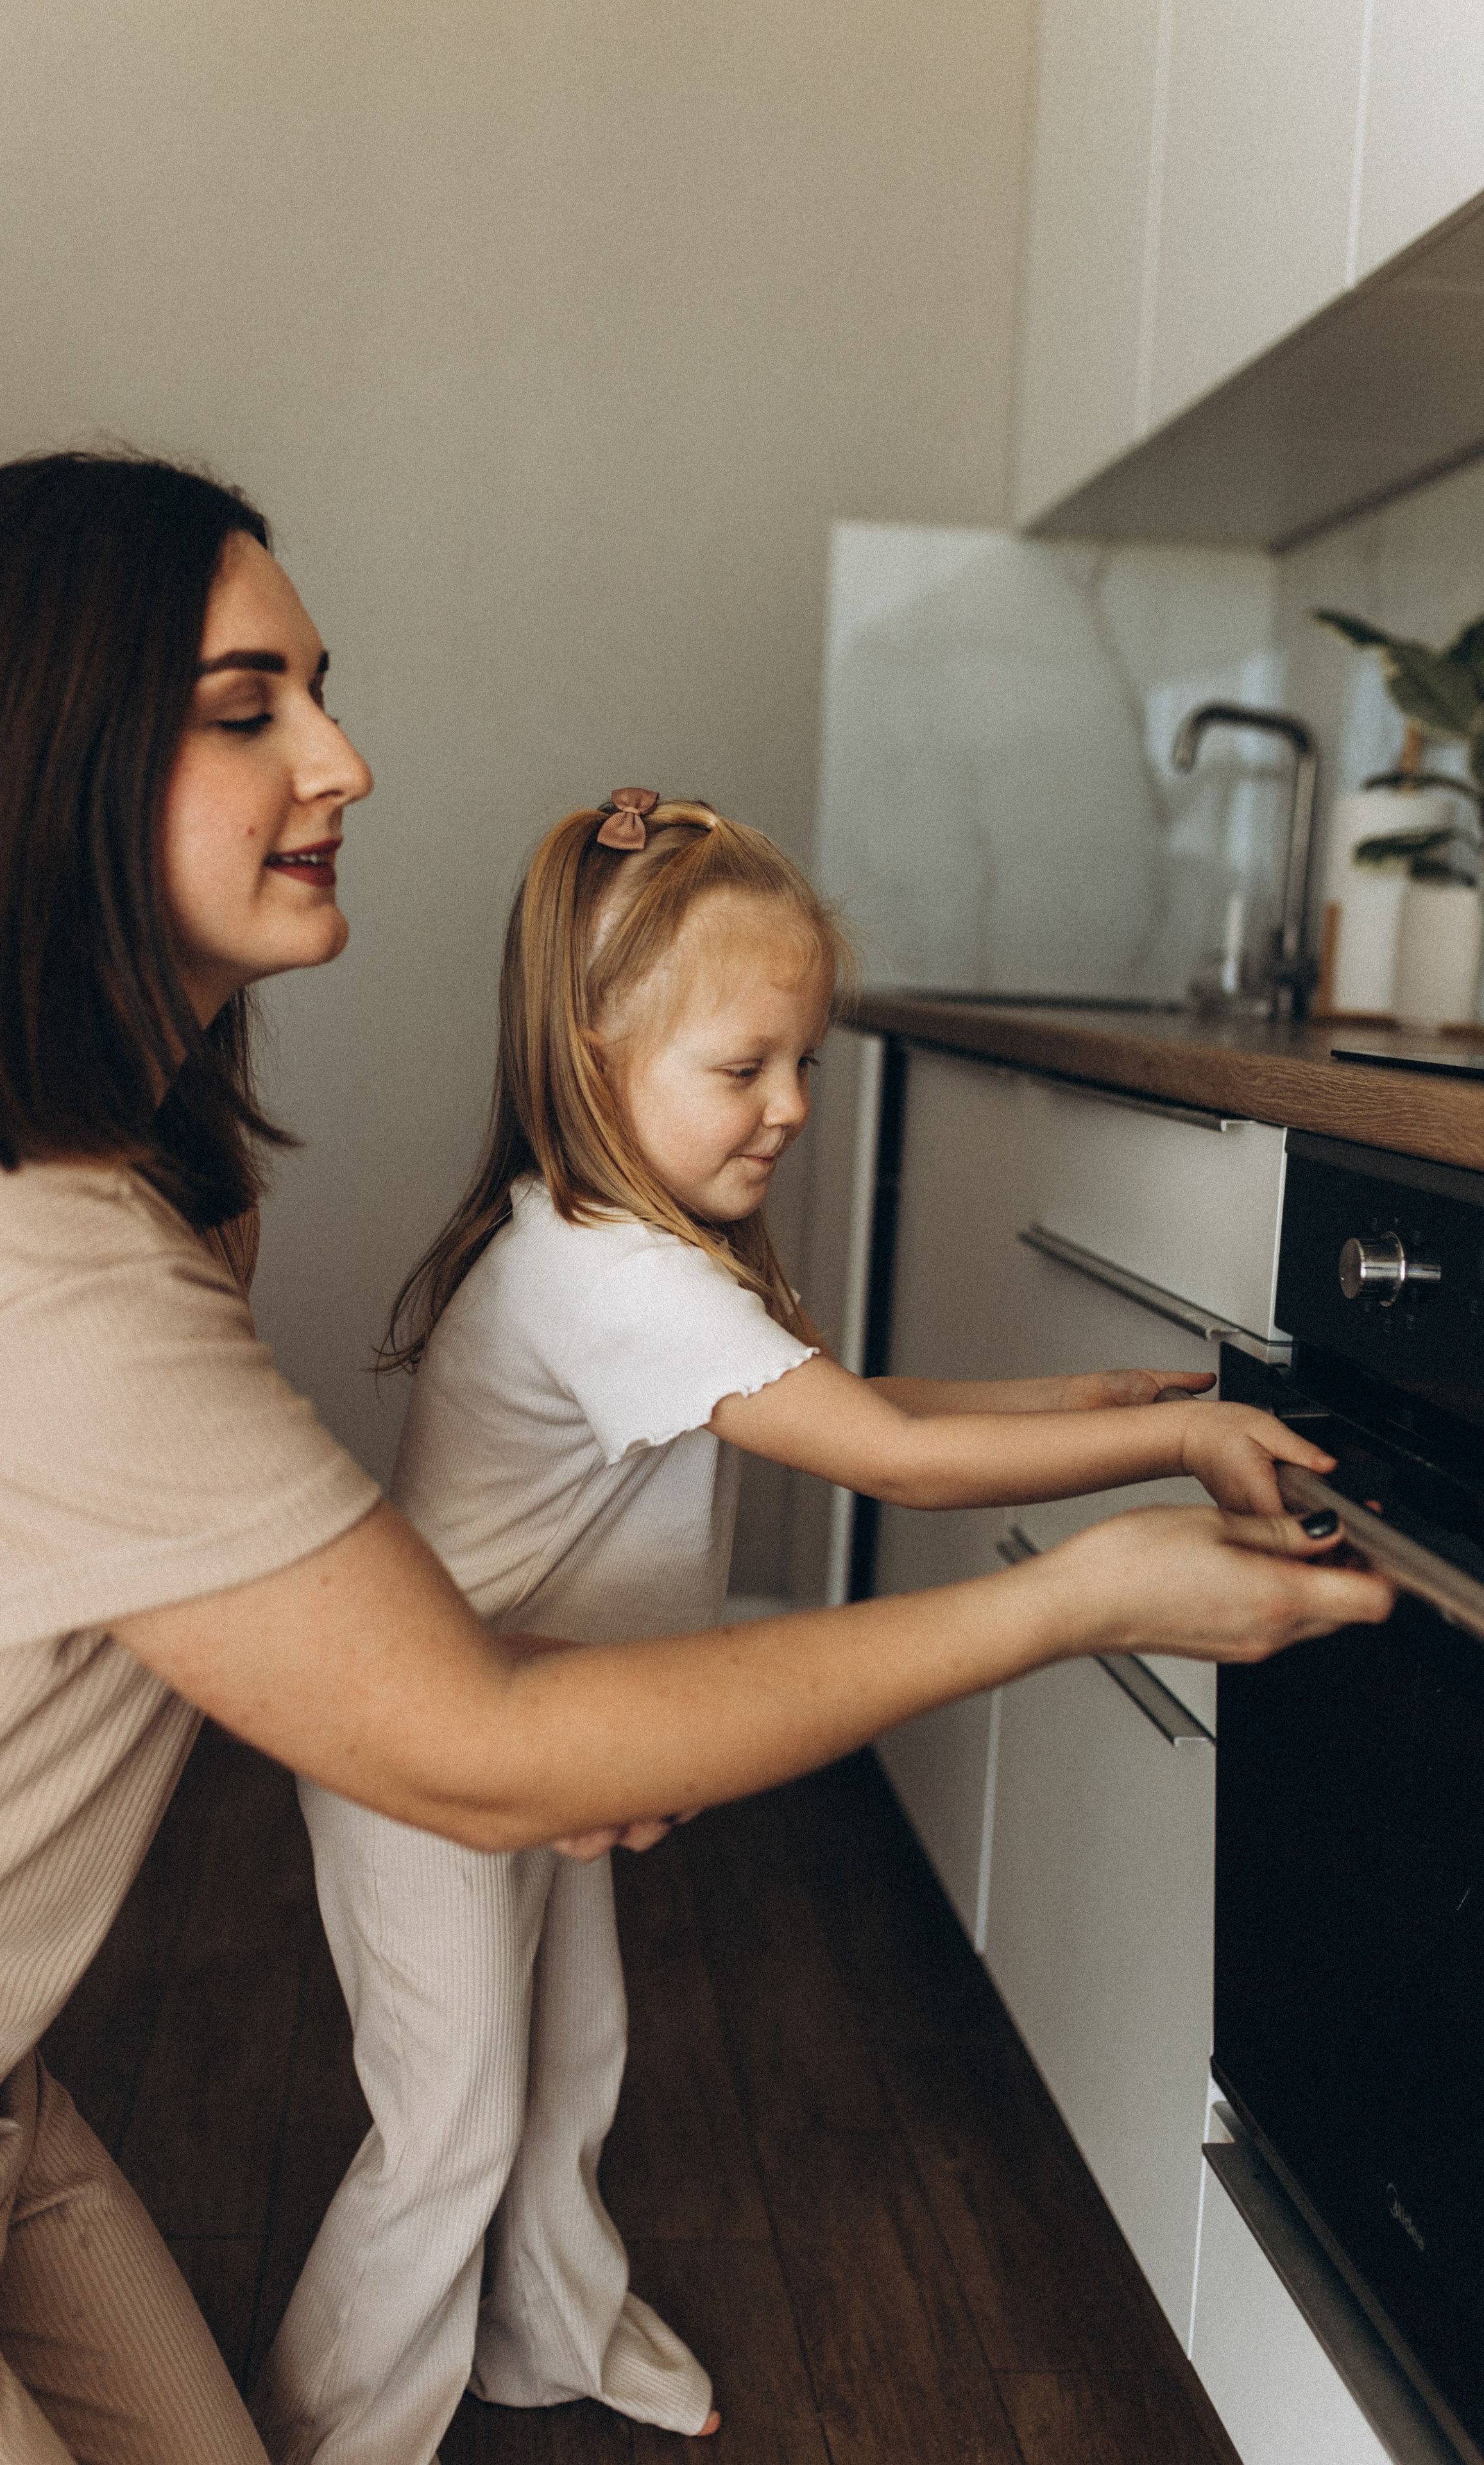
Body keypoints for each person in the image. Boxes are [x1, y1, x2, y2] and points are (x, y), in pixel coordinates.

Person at [0, 454, 1392, 2465]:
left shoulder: (155, 1179)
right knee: (459, 2112)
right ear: (32, 766)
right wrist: (1090, 1583)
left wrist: (581, 1728)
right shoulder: (16, 1258)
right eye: (250, 710)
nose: (347, 757)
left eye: (320, 686)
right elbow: (478, 1730)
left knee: (529, 2094)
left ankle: (546, 2323)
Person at [257, 791, 1356, 2465]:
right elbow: (896, 1458)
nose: (788, 1108)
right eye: (744, 1065)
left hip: (554, 1714)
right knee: (450, 2123)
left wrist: (1116, 1398)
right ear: (595, 1039)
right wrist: (1168, 1442)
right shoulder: (612, 1273)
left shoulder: (632, 1237)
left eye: (807, 1064)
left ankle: (549, 2328)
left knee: (573, 2056)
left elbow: (847, 1407)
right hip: (431, 1759)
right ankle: (320, 2432)